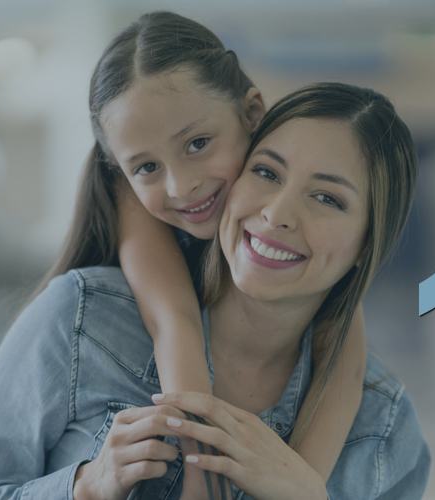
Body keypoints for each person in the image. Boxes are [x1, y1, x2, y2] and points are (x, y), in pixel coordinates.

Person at [0, 83, 430, 500]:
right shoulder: (80, 318)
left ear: (368, 244)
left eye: (328, 198)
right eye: (267, 172)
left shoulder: (384, 427)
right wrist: (86, 487)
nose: (277, 214)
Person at [27, 11, 367, 497]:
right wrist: (198, 481)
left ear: (252, 113)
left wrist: (299, 485)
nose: (181, 185)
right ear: (121, 170)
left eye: (198, 143)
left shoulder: (305, 257)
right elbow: (175, 323)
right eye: (146, 166)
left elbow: (345, 365)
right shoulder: (127, 225)